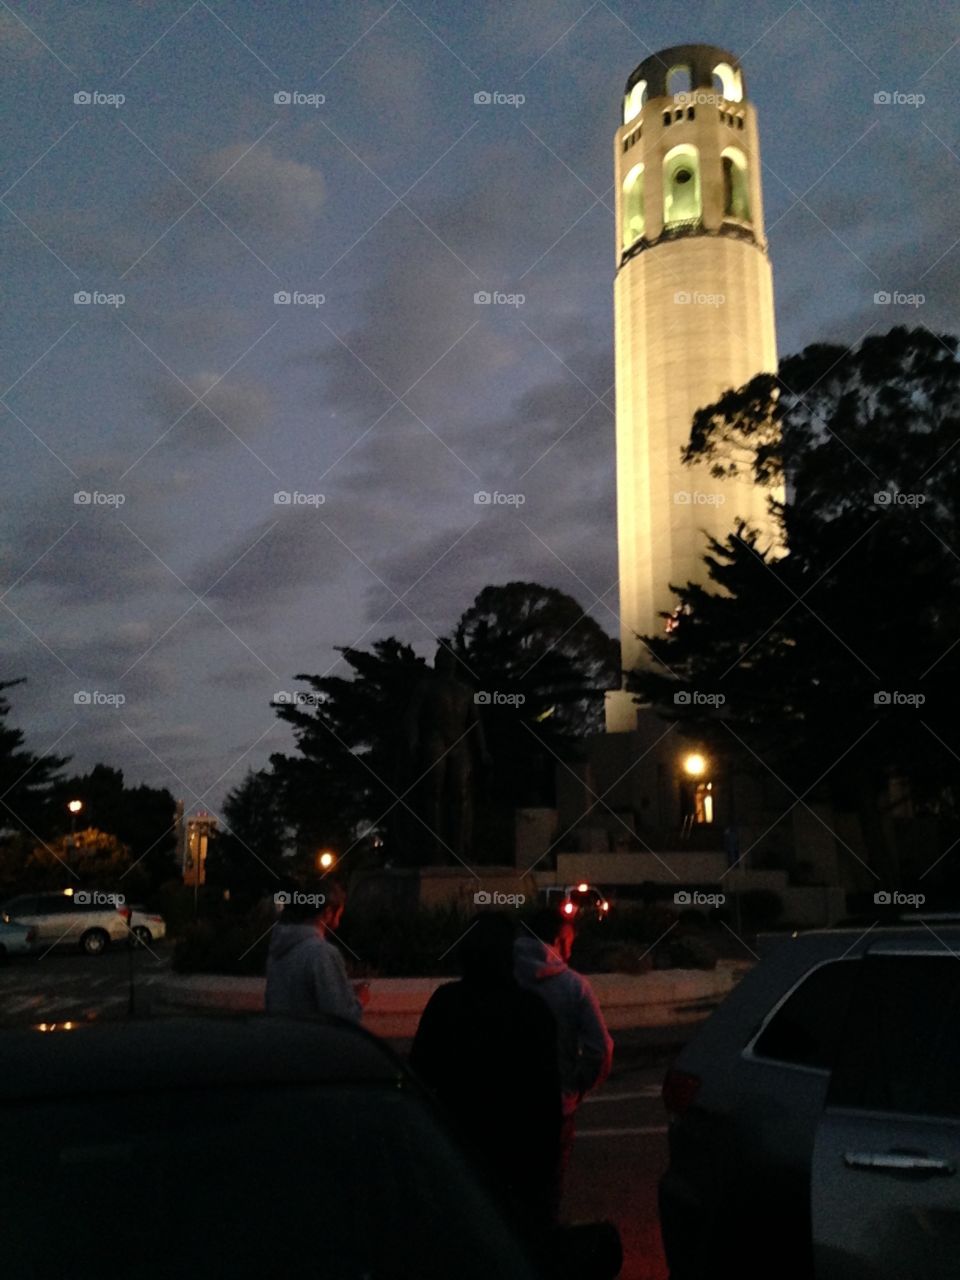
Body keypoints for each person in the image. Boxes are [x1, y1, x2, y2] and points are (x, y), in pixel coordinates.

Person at [411, 912, 562, 1239]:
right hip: (518, 1163)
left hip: (457, 1159)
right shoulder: (531, 1012)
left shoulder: (445, 1004)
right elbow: (547, 1103)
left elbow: (420, 1078)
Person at [514, 906, 614, 1210]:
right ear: (559, 939)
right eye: (569, 942)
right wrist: (577, 1087)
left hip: (502, 1101)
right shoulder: (573, 986)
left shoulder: (501, 975)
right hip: (554, 1106)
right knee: (547, 1194)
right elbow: (601, 1049)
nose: (570, 952)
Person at [264, 881, 366, 1022]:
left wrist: (344, 990)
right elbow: (341, 1018)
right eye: (339, 912)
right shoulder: (322, 953)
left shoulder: (279, 948)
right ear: (328, 911)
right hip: (312, 1040)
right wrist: (360, 1000)